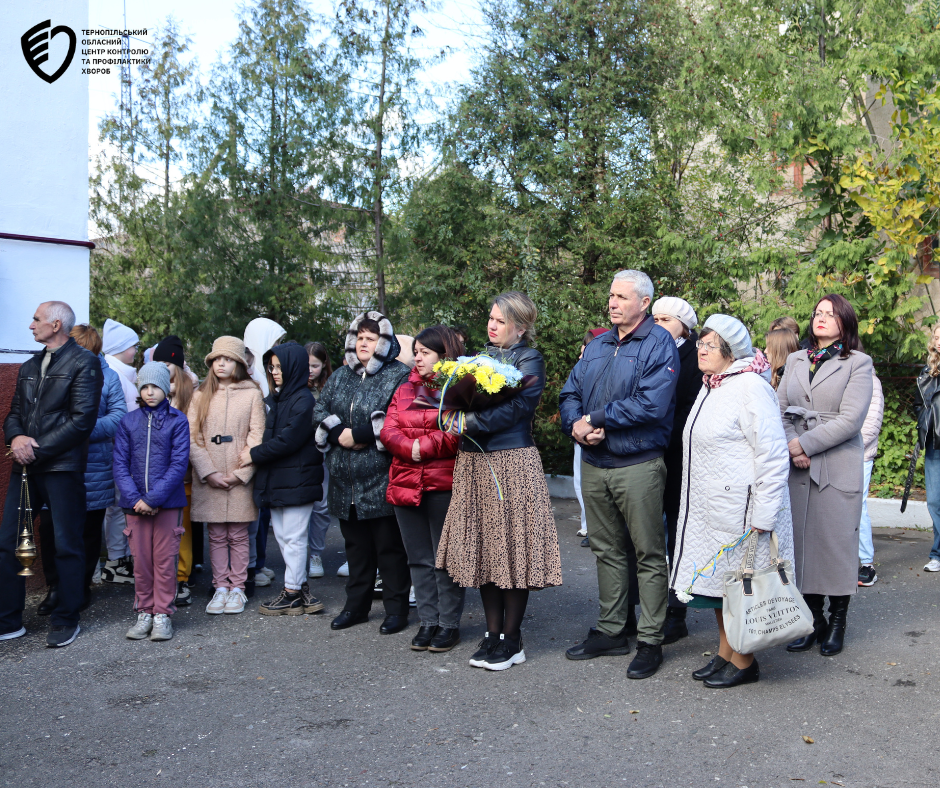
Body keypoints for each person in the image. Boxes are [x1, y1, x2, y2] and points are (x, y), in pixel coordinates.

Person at [559, 270, 678, 680]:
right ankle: (611, 630)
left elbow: (651, 405)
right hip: (595, 463)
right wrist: (576, 423)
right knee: (606, 549)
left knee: (647, 553)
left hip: (637, 466)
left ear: (644, 303)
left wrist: (596, 418)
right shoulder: (598, 344)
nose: (612, 303)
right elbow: (569, 391)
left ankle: (650, 640)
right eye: (610, 295)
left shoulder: (659, 344)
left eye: (621, 297)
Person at [437, 292, 562, 671]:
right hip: (474, 462)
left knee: (512, 548)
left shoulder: (530, 358)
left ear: (520, 327)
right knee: (485, 547)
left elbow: (517, 408)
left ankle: (513, 638)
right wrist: (449, 413)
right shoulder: (479, 359)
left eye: (500, 321)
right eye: (490, 318)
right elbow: (455, 399)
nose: (491, 325)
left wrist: (466, 423)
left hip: (511, 461)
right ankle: (492, 635)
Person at [669, 315, 793, 687]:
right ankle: (726, 653)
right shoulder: (715, 385)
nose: (700, 350)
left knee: (741, 587)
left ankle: (744, 661)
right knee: (721, 587)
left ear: (729, 352)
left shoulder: (750, 388)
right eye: (700, 343)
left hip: (742, 511)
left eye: (709, 345)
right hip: (713, 508)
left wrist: (765, 514)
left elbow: (772, 455)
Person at [0, 303, 103, 646]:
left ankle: (66, 619)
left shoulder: (85, 362)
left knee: (66, 543)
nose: (31, 325)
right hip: (24, 468)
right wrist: (16, 439)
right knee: (10, 543)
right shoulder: (30, 365)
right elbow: (14, 412)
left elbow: (82, 421)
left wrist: (35, 447)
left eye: (36, 319)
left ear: (56, 324)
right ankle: (9, 620)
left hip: (61, 468)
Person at [778, 294, 873, 657]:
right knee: (803, 546)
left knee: (835, 545)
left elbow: (851, 420)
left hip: (836, 463)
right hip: (797, 465)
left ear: (844, 322)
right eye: (817, 312)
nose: (821, 318)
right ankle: (812, 620)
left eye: (830, 314)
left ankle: (837, 622)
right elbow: (781, 408)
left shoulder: (858, 363)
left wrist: (806, 445)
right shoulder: (796, 358)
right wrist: (792, 445)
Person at [315, 313, 411, 632]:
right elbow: (319, 409)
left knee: (389, 550)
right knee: (356, 550)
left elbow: (401, 417)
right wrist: (338, 431)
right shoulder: (341, 375)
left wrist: (361, 434)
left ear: (384, 342)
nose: (363, 343)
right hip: (346, 480)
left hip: (382, 478)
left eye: (370, 338)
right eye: (359, 336)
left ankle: (396, 611)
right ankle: (356, 607)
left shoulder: (398, 374)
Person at [381, 325, 465, 653]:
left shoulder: (458, 387)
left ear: (443, 355)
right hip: (404, 481)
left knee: (445, 559)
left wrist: (421, 448)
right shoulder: (403, 389)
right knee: (418, 558)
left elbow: (456, 431)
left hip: (443, 483)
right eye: (415, 351)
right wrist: (408, 448)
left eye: (424, 352)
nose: (417, 357)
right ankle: (428, 622)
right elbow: (389, 429)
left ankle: (449, 625)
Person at [37, 324, 127, 615]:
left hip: (94, 466)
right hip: (56, 462)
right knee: (51, 528)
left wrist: (81, 429)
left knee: (88, 531)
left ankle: (81, 586)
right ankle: (54, 587)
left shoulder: (109, 377)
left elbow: (118, 417)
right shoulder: (49, 370)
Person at [246, 341, 325, 616]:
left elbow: (287, 440)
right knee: (283, 536)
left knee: (293, 537)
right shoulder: (280, 398)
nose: (275, 371)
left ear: (293, 367)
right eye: (272, 366)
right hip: (281, 480)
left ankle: (292, 592)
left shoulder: (303, 400)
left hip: (297, 479)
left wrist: (253, 454)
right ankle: (300, 590)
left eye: (280, 367)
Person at [188, 337, 265, 615]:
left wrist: (241, 473)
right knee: (217, 534)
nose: (221, 363)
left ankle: (238, 588)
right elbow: (192, 438)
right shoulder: (200, 395)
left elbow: (257, 435)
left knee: (239, 534)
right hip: (209, 477)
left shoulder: (252, 394)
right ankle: (220, 586)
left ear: (239, 364)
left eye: (228, 359)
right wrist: (208, 472)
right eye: (216, 359)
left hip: (239, 477)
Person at [114, 363, 190, 641]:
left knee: (164, 560)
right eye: (144, 387)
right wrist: (136, 499)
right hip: (135, 506)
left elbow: (179, 463)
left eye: (155, 386)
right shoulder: (127, 422)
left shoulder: (178, 420)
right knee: (141, 562)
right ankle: (144, 611)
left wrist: (153, 498)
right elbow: (120, 464)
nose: (149, 392)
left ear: (165, 389)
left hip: (166, 505)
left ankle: (162, 614)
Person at [651, 296, 701, 644]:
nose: (657, 325)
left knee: (677, 535)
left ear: (684, 326)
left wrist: (660, 433)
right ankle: (648, 607)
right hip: (647, 455)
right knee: (648, 535)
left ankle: (676, 613)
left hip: (679, 455)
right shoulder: (646, 350)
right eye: (653, 318)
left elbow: (691, 409)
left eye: (665, 319)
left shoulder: (696, 356)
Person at [153, 336, 197, 606]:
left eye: (164, 362)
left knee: (181, 530)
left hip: (183, 477)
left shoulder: (191, 396)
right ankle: (161, 576)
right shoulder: (150, 391)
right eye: (155, 361)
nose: (159, 366)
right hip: (155, 476)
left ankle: (181, 578)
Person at [101, 318, 141, 585]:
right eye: (133, 346)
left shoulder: (123, 373)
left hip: (121, 452)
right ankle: (115, 561)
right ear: (119, 347)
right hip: (117, 453)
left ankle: (119, 557)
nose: (136, 351)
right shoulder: (116, 375)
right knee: (116, 508)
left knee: (118, 507)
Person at [573, 329, 608, 547]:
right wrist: (575, 425)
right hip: (581, 436)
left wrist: (598, 424)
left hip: (602, 435)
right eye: (583, 345)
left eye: (588, 345)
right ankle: (588, 525)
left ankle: (596, 529)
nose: (583, 350)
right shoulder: (582, 367)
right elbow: (570, 397)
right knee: (580, 483)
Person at [304, 341, 333, 580]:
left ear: (324, 364)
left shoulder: (330, 385)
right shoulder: (295, 387)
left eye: (315, 365)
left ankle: (316, 553)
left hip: (325, 452)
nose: (310, 370)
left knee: (321, 507)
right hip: (301, 452)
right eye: (307, 365)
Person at [916, 324, 940, 574]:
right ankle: (938, 554)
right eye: (936, 337)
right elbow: (918, 403)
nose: (939, 341)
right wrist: (924, 422)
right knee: (934, 501)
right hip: (935, 444)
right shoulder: (927, 372)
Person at [857, 369, 884, 586]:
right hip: (834, 452)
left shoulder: (870, 380)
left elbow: (872, 424)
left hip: (860, 454)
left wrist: (847, 448)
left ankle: (867, 564)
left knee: (858, 506)